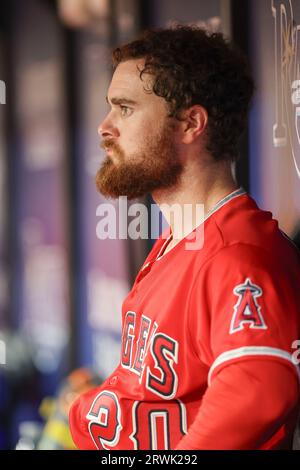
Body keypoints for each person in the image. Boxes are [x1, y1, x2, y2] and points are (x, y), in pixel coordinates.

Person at [69, 25, 300, 450]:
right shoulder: (178, 242)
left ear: (191, 123)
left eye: (125, 108)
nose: (105, 127)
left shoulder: (237, 254)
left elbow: (261, 387)